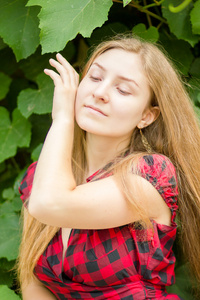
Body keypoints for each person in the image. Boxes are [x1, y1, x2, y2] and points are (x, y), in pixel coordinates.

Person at [17, 35, 200, 300]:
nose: (100, 93)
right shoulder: (44, 175)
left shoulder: (150, 175)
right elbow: (32, 282)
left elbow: (49, 204)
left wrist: (63, 119)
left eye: (123, 90)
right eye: (94, 78)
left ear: (146, 116)